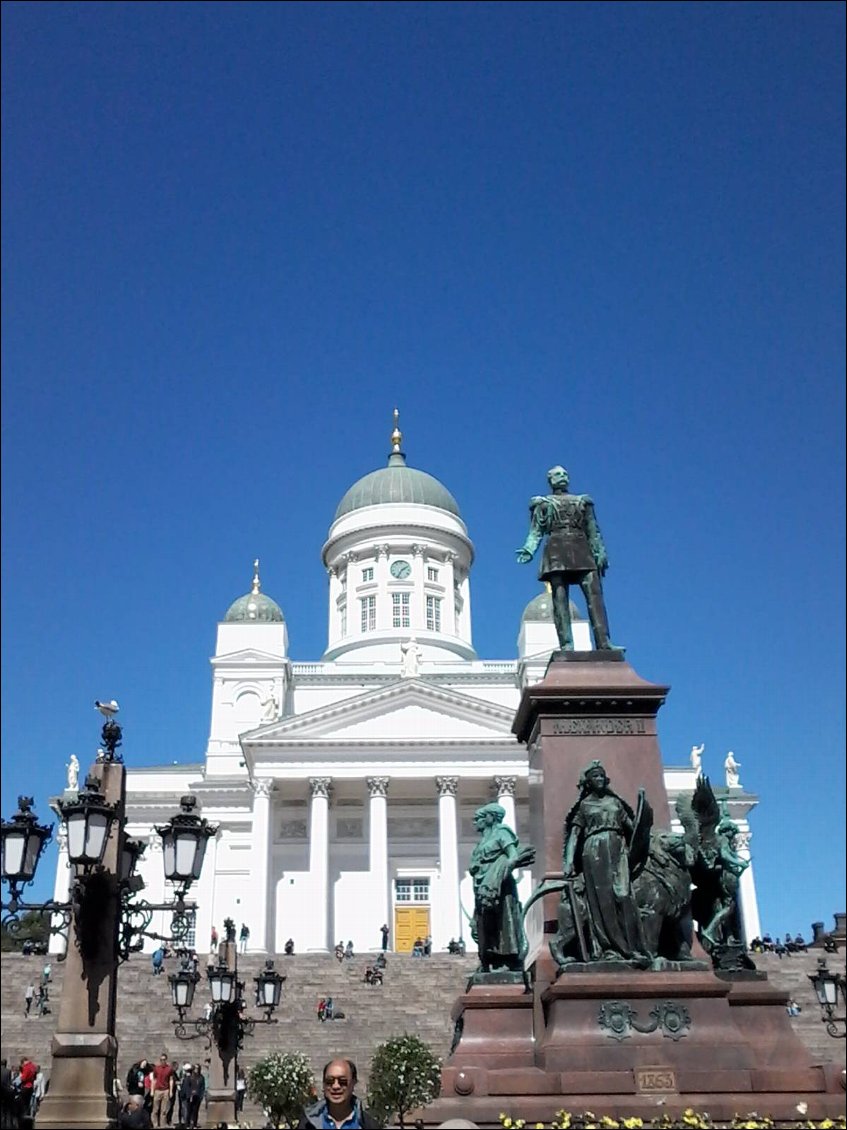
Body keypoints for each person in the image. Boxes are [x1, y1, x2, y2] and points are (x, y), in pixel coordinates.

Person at [516, 465, 621, 651]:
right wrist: (529, 549)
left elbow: (593, 530)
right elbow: (536, 531)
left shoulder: (582, 501)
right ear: (550, 480)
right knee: (559, 597)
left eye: (565, 474)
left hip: (581, 548)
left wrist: (600, 552)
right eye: (557, 475)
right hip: (556, 549)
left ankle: (604, 642)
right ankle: (566, 644)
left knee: (595, 596)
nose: (562, 477)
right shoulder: (543, 504)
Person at [562, 761, 649, 965]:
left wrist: (643, 812)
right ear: (588, 782)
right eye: (596, 777)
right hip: (594, 851)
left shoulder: (615, 803)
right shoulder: (584, 806)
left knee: (623, 895)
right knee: (602, 900)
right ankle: (608, 948)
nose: (600, 779)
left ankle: (631, 946)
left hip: (617, 848)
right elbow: (574, 834)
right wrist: (568, 861)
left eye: (602, 776)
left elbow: (632, 829)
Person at [468, 802, 535, 974]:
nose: (475, 822)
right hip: (483, 887)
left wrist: (497, 876)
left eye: (478, 818)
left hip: (500, 887)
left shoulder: (502, 833)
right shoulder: (484, 839)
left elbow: (512, 856)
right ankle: (490, 959)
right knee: (485, 923)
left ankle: (507, 959)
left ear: (490, 817)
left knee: (503, 922)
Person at [298, 1058, 382, 1129]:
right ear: (323, 1084)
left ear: (353, 1083)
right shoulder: (307, 1123)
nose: (335, 1086)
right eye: (329, 1081)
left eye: (342, 1081)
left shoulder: (368, 1125)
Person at [150, 1053, 174, 1127]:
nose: (162, 1061)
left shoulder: (169, 1069)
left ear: (166, 1060)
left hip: (165, 1090)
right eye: (161, 1060)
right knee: (155, 1110)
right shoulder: (156, 1068)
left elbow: (171, 1080)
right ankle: (155, 1125)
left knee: (164, 1110)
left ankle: (162, 1125)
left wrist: (171, 1091)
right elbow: (154, 1080)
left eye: (164, 1060)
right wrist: (152, 1090)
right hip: (157, 1090)